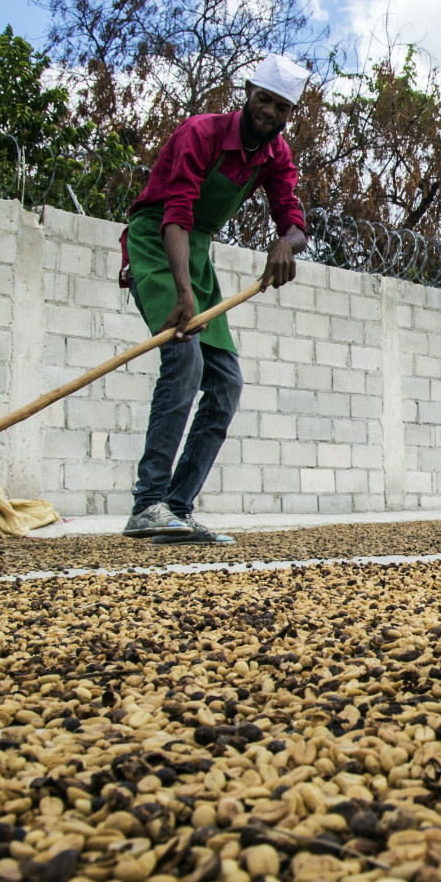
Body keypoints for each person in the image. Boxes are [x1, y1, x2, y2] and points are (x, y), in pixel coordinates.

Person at [117, 54, 311, 545]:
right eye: (264, 99)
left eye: (282, 107)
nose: (269, 112)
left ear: (290, 113)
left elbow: (292, 218)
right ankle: (147, 504)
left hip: (196, 252)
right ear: (248, 92)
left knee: (226, 383)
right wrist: (183, 293)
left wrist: (286, 244)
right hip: (157, 241)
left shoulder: (276, 154)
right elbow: (176, 211)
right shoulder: (200, 133)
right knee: (184, 360)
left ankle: (176, 510)